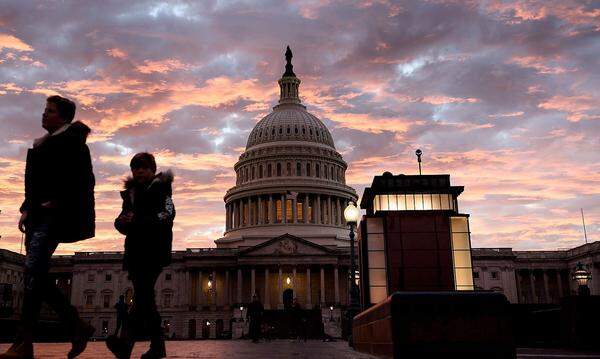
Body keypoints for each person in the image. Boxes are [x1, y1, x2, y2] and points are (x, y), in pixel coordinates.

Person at [1, 96, 96, 359]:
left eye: (50, 111)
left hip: (54, 217)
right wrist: (26, 208)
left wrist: (56, 202)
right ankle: (38, 339)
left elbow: (83, 181)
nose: (44, 114)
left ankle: (39, 336)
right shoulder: (45, 145)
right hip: (39, 215)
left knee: (33, 271)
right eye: (45, 110)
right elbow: (37, 184)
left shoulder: (73, 143)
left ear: (63, 117)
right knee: (34, 276)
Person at [106, 153, 175, 359]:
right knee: (145, 299)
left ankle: (126, 343)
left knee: (143, 295)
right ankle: (155, 346)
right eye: (136, 168)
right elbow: (124, 218)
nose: (139, 171)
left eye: (144, 168)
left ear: (153, 170)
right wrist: (122, 222)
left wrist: (139, 221)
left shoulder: (162, 190)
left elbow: (168, 215)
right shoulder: (131, 194)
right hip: (135, 251)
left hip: (154, 250)